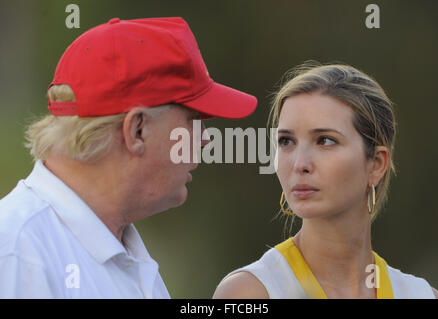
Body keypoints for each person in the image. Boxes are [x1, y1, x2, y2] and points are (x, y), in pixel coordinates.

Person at [0, 17, 257, 298]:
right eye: (192, 119)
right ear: (137, 130)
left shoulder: (118, 246)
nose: (205, 139)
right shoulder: (16, 252)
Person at [213, 62, 438, 299]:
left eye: (325, 140)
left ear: (376, 164)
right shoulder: (249, 293)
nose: (299, 163)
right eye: (286, 141)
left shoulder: (423, 296)